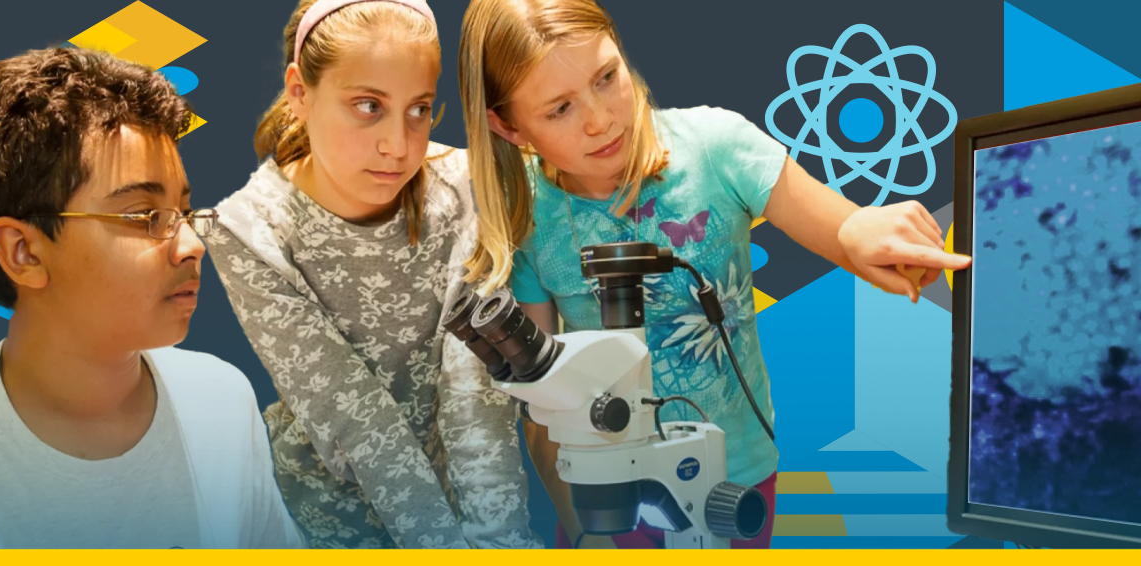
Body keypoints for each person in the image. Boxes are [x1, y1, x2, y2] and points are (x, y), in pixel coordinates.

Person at [457, 0, 973, 549]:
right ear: (508, 126)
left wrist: (868, 233)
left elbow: (840, 226)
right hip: (606, 495)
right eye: (559, 109)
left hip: (736, 473)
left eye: (607, 78)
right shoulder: (526, 212)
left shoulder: (716, 145)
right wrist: (585, 533)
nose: (599, 118)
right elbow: (544, 400)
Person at [0, 48, 303, 549]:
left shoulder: (221, 399)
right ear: (23, 250)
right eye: (143, 217)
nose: (192, 245)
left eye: (182, 210)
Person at [204, 0, 544, 549]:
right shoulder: (246, 228)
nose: (398, 145)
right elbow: (354, 421)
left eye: (419, 109)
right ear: (299, 93)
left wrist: (500, 545)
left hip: (461, 507)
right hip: (319, 525)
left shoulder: (462, 184)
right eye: (368, 105)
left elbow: (473, 393)